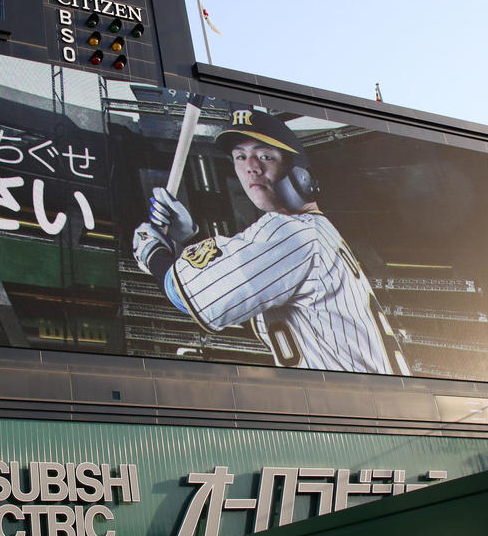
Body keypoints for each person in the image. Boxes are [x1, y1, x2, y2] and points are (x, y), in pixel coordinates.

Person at [132, 110, 408, 374]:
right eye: (240, 157)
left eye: (265, 155)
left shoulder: (291, 233)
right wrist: (191, 237)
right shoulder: (315, 231)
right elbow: (247, 305)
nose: (250, 167)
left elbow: (193, 297)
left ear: (299, 172)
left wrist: (153, 251)